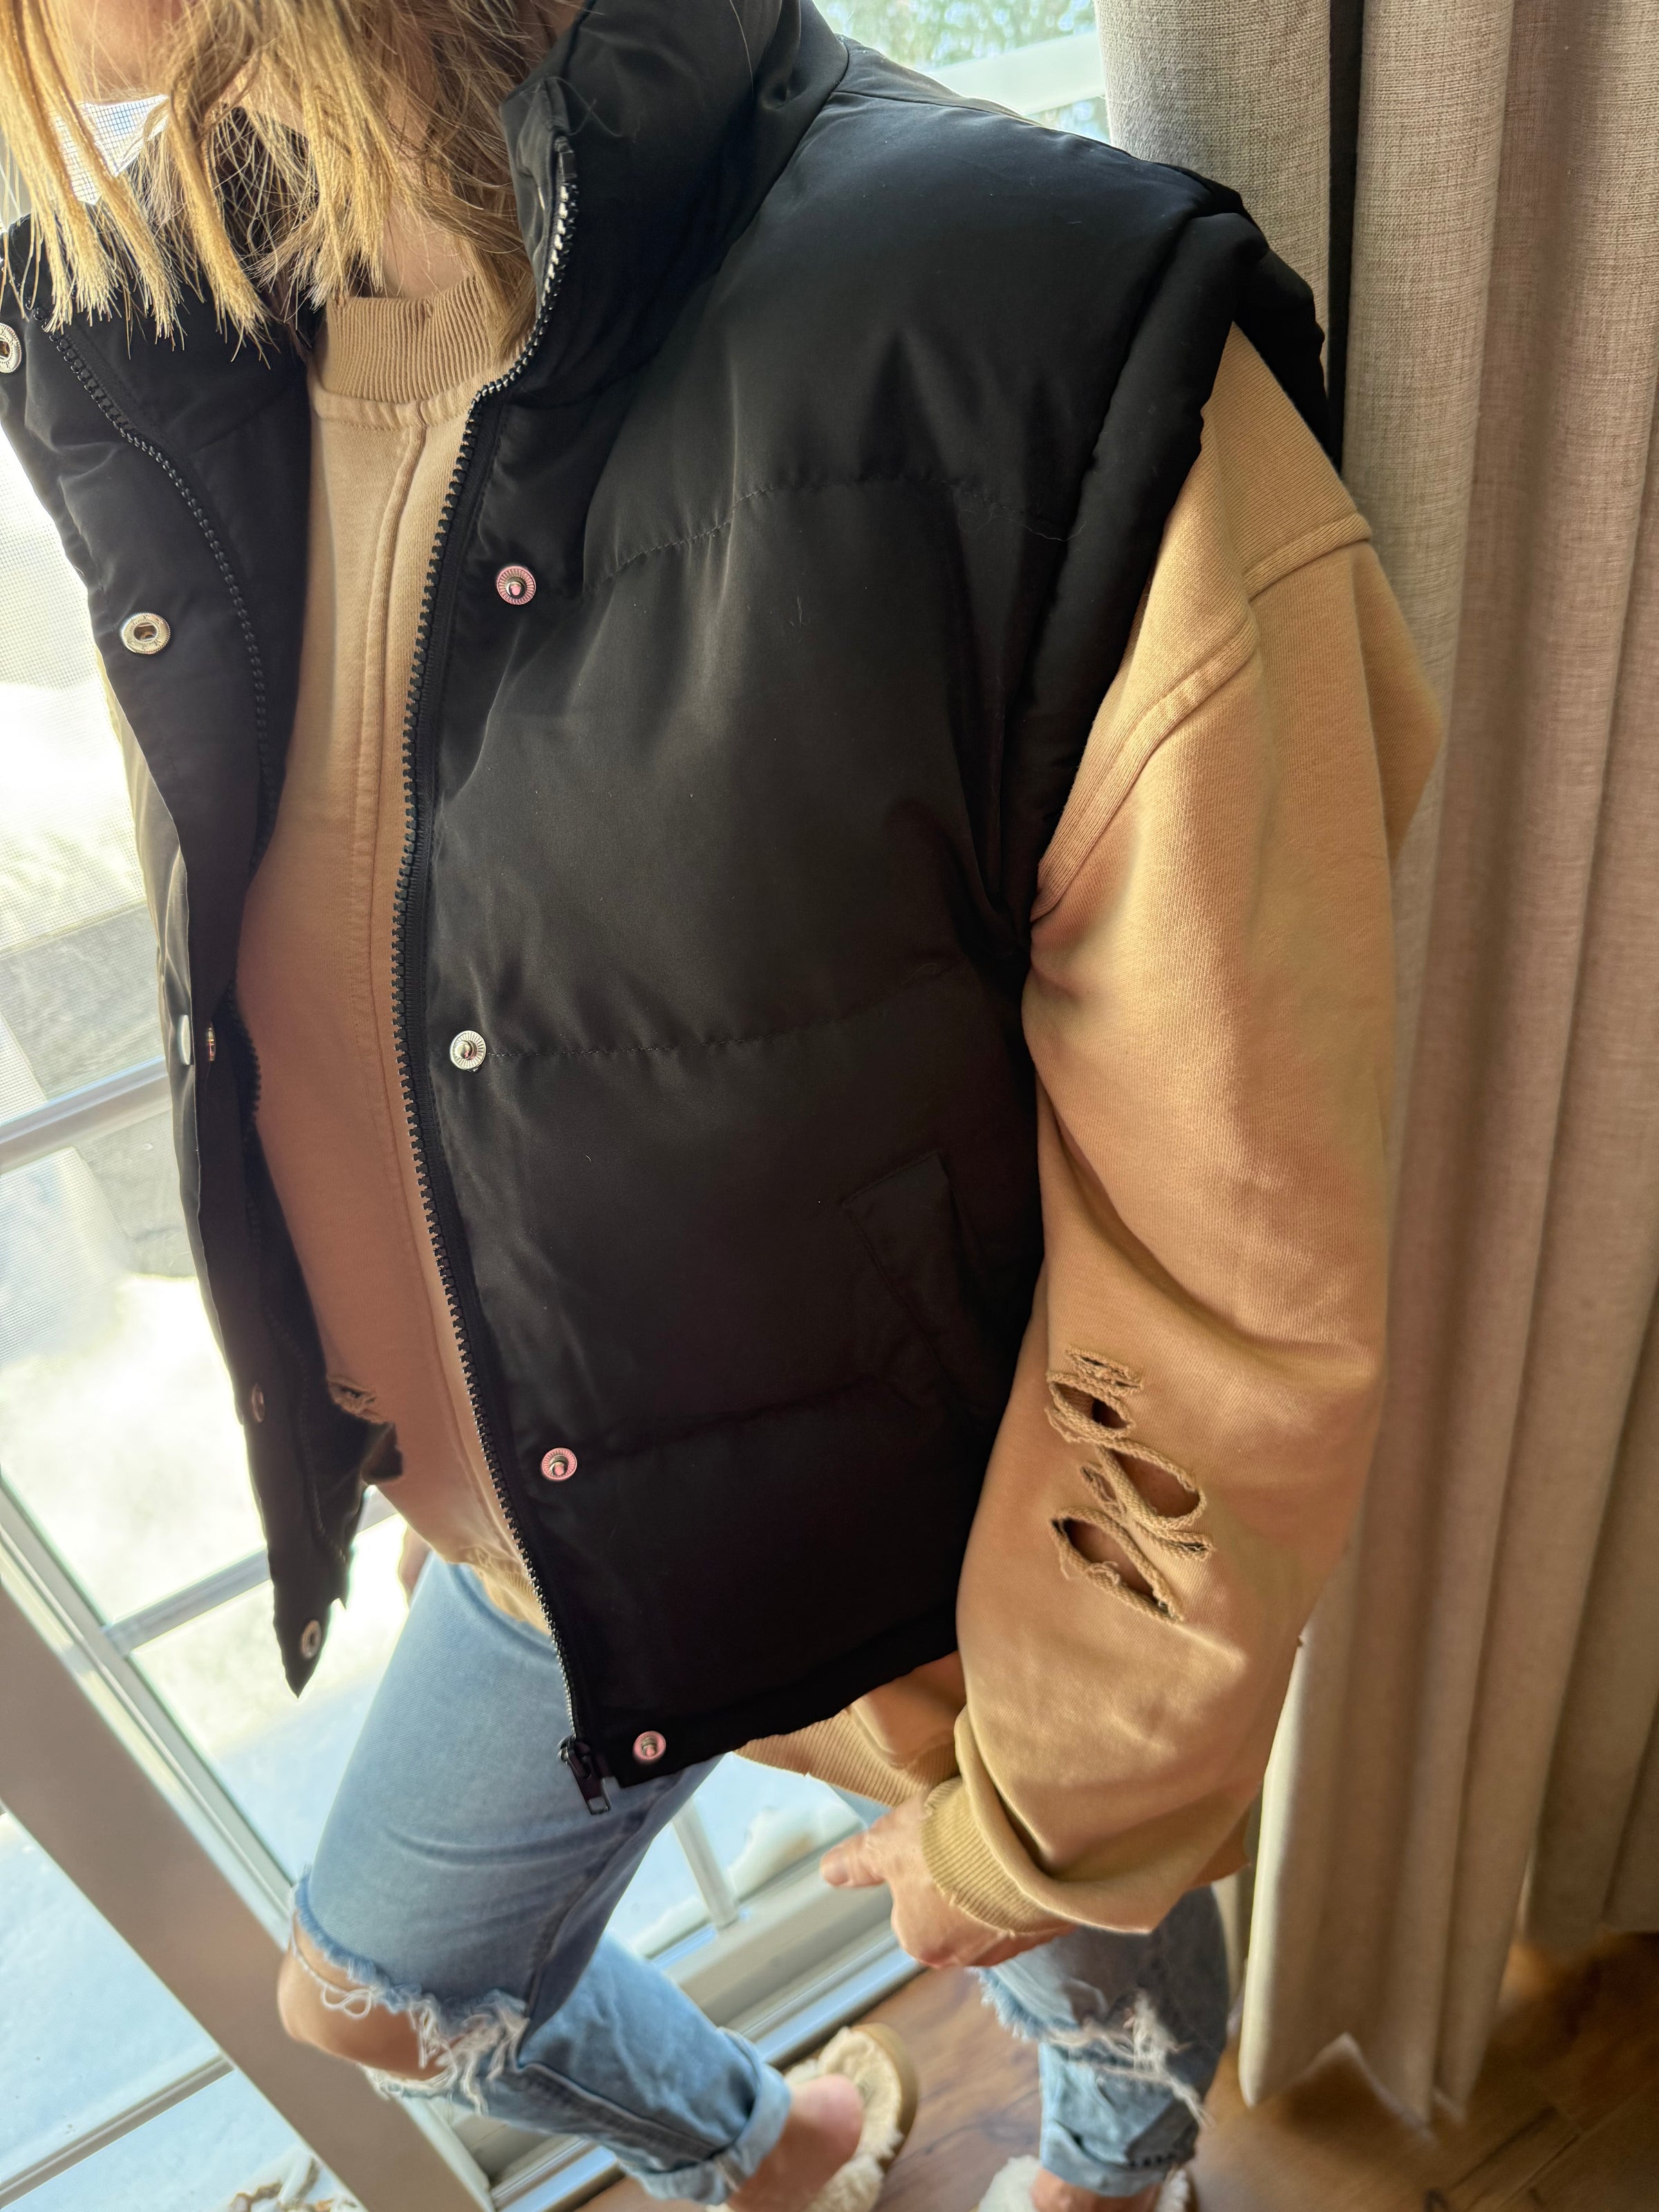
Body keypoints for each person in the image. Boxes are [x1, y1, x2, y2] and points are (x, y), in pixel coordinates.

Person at [0, 3, 1441, 2208]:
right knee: (375, 1984)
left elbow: (1236, 1279)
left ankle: (1115, 2160)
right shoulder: (167, 328)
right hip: (534, 1543)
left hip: (944, 1580)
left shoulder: (1030, 336)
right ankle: (780, 2150)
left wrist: (1046, 1815)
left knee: (1061, 1957)